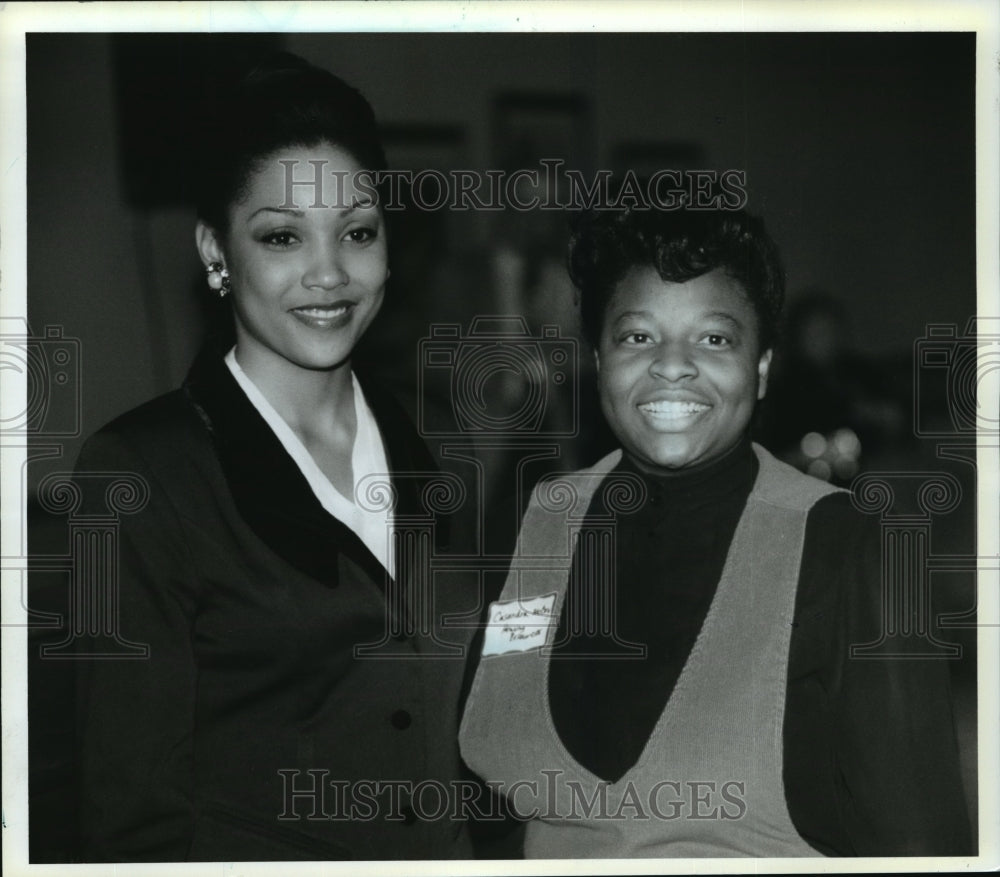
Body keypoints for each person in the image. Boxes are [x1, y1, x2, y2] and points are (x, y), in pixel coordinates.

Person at [459, 206, 972, 857]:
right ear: (599, 358)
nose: (672, 365)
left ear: (762, 368)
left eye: (714, 339)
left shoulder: (851, 549)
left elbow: (920, 847)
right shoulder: (541, 521)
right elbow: (489, 782)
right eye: (637, 336)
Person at [73, 54, 472, 861]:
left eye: (357, 232)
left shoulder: (440, 443)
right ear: (215, 250)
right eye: (282, 236)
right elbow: (131, 816)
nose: (329, 273)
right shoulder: (140, 473)